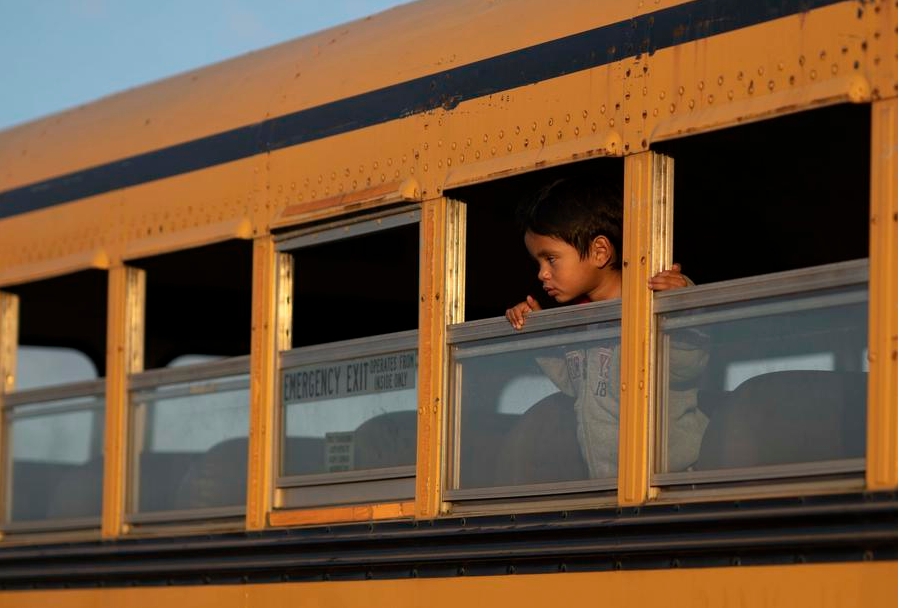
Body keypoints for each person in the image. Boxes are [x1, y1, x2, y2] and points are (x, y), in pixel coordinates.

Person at [504, 176, 709, 478]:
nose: (543, 274)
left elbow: (687, 363)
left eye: (550, 259)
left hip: (672, 482)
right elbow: (578, 385)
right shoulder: (583, 320)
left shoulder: (650, 301)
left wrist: (681, 307)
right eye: (538, 263)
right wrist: (539, 335)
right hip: (610, 482)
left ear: (600, 251)